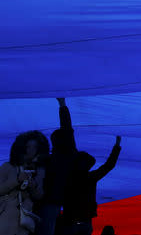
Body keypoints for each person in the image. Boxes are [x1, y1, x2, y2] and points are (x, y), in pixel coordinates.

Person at [61, 136, 122, 235]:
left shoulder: (67, 177)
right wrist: (117, 146)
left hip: (71, 221)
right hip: (83, 220)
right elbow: (109, 165)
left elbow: (108, 166)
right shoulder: (90, 177)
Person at [38, 98, 78, 235]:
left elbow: (67, 128)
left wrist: (62, 106)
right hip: (62, 199)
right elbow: (67, 128)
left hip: (50, 198)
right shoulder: (69, 155)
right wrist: (62, 105)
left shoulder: (54, 157)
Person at [1, 131, 48, 235]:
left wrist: (32, 187)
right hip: (6, 219)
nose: (31, 150)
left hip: (25, 221)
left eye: (35, 147)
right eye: (27, 147)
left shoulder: (39, 171)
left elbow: (39, 195)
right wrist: (17, 180)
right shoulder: (8, 167)